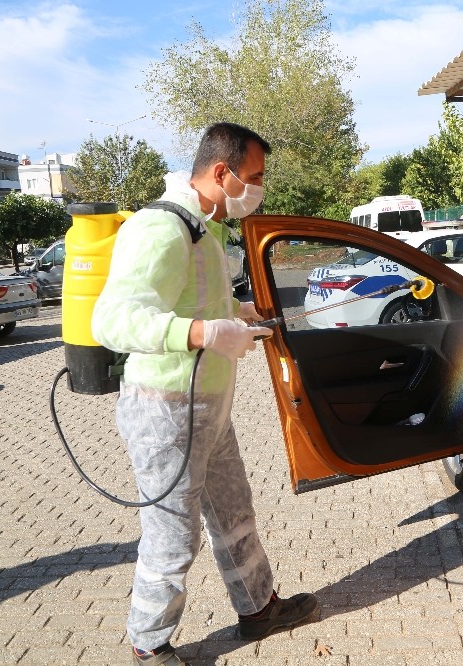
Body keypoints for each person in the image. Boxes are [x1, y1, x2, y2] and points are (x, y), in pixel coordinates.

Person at [91, 122, 317, 666]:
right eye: (255, 177)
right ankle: (148, 643)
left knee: (235, 513)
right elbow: (113, 320)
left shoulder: (206, 229)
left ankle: (258, 608)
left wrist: (235, 316)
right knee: (173, 539)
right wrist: (204, 333)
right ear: (222, 172)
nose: (260, 188)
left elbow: (191, 302)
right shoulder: (159, 228)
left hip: (210, 406)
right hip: (165, 411)